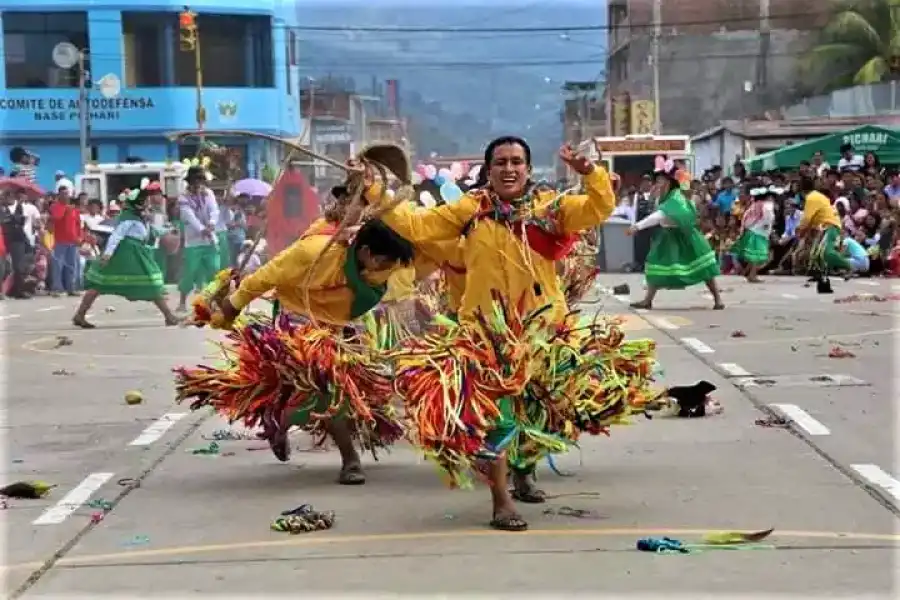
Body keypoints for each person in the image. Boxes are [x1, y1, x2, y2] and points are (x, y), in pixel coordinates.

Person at [358, 138, 652, 531]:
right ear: (489, 169)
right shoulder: (471, 208)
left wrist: (589, 173)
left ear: (528, 169)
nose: (509, 168)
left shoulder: (551, 208)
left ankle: (525, 470)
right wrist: (372, 187)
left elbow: (598, 208)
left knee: (537, 410)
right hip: (485, 334)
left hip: (542, 331)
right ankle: (501, 502)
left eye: (516, 162)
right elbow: (415, 224)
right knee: (497, 419)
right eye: (500, 162)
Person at [176, 218, 415, 485]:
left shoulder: (376, 267)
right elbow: (264, 277)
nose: (387, 271)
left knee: (337, 391)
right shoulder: (313, 252)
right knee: (328, 383)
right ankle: (350, 459)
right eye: (384, 263)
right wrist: (232, 306)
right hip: (297, 323)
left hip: (338, 326)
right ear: (367, 252)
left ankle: (282, 421)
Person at [73, 186, 179, 328]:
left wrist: (168, 230)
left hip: (136, 253)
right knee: (102, 284)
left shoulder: (140, 218)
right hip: (126, 254)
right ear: (138, 204)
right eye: (145, 202)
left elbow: (150, 232)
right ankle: (169, 316)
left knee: (103, 285)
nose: (148, 204)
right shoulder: (128, 218)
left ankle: (169, 316)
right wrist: (107, 254)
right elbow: (116, 235)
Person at [626, 160, 724, 310]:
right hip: (671, 236)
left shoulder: (675, 196)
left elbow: (659, 216)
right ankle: (647, 300)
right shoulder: (666, 196)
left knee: (704, 268)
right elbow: (659, 212)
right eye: (657, 180)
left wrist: (637, 226)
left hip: (686, 235)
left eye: (660, 180)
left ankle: (718, 299)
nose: (657, 183)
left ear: (668, 182)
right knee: (655, 266)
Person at [177, 166, 220, 312]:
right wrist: (202, 229)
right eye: (197, 180)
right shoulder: (183, 197)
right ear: (191, 181)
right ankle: (182, 301)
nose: (199, 184)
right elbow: (189, 216)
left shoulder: (209, 194)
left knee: (214, 270)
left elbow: (214, 210)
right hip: (193, 242)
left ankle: (212, 301)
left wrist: (212, 224)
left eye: (202, 180)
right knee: (190, 272)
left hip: (210, 240)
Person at [796, 176, 852, 280]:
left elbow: (807, 218)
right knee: (815, 252)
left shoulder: (811, 197)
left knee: (826, 252)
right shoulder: (817, 196)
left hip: (830, 224)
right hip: (824, 225)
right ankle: (818, 274)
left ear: (801, 190)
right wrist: (806, 230)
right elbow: (813, 217)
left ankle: (849, 267)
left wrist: (800, 229)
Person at [0, 190, 41, 299]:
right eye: (7, 195)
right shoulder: (2, 208)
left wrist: (15, 219)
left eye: (11, 195)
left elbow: (21, 221)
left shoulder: (19, 207)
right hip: (10, 240)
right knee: (13, 266)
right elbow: (4, 221)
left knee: (23, 265)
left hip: (21, 238)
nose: (10, 197)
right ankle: (15, 290)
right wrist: (13, 219)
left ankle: (21, 289)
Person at [732, 185, 776, 283]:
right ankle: (752, 275)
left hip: (751, 232)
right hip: (760, 233)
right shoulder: (767, 205)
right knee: (757, 256)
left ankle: (748, 273)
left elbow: (745, 219)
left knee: (753, 256)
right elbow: (768, 218)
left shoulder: (754, 205)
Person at [48, 185, 83, 297]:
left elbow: (78, 225)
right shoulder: (55, 206)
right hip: (60, 241)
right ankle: (58, 288)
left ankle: (71, 288)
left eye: (67, 194)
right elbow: (56, 218)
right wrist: (65, 209)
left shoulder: (74, 209)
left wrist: (80, 237)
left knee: (72, 265)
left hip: (73, 241)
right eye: (63, 194)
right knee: (58, 265)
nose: (66, 196)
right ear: (59, 195)